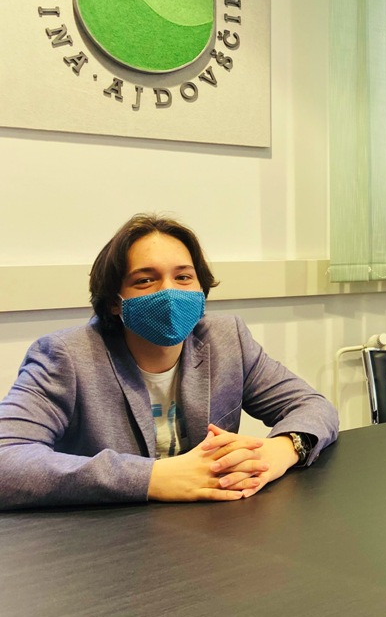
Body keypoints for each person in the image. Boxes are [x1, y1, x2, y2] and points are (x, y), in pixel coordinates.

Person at [0, 214, 339, 509]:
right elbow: (6, 460)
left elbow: (312, 406)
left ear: (201, 289)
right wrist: (153, 478)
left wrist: (278, 451)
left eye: (183, 277)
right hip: (108, 539)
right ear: (115, 301)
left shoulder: (227, 339)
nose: (169, 293)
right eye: (145, 280)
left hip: (210, 530)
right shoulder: (66, 356)